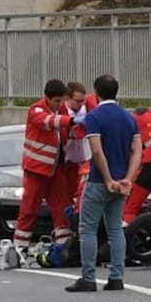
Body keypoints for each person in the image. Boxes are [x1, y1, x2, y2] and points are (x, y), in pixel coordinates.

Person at [66, 74, 141, 292]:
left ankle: (88, 278)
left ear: (96, 93)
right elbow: (137, 151)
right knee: (115, 228)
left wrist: (107, 179)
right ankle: (117, 277)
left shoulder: (95, 117)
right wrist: (128, 178)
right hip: (122, 180)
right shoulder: (129, 118)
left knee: (87, 228)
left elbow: (97, 151)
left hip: (100, 181)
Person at [13, 79, 81, 253]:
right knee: (29, 209)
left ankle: (64, 246)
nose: (59, 105)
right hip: (37, 169)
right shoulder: (36, 110)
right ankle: (20, 247)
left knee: (62, 207)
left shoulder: (63, 111)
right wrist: (71, 121)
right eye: (56, 101)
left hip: (55, 169)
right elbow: (49, 121)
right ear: (47, 98)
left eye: (62, 101)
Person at [59, 81, 96, 217]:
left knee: (83, 196)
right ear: (68, 98)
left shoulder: (88, 108)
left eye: (83, 100)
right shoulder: (62, 111)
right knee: (66, 197)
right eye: (78, 101)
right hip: (67, 162)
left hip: (84, 161)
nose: (81, 103)